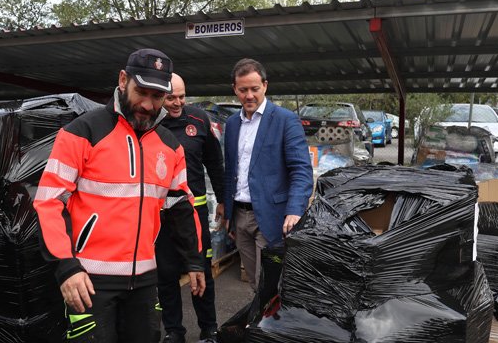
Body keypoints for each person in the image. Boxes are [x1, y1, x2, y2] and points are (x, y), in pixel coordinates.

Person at [33, 48, 206, 343]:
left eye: (158, 96)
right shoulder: (82, 132)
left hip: (146, 280)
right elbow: (49, 201)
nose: (148, 105)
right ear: (123, 80)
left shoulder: (170, 146)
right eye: (142, 92)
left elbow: (180, 205)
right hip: (88, 281)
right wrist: (66, 266)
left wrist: (194, 260)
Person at [219, 58, 313, 290]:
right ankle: (258, 322)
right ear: (235, 89)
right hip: (240, 216)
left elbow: (301, 169)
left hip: (272, 217)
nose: (249, 95)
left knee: (272, 283)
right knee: (253, 283)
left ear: (265, 86)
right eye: (243, 90)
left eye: (254, 89)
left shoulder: (284, 120)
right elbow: (231, 168)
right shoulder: (232, 124)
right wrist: (227, 210)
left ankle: (273, 325)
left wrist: (294, 210)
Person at [157, 73, 225, 343]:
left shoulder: (199, 120)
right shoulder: (149, 124)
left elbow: (215, 164)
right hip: (160, 216)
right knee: (166, 274)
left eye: (182, 97)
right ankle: (174, 331)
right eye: (170, 97)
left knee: (202, 273)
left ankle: (209, 329)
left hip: (194, 215)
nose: (177, 103)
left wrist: (222, 201)